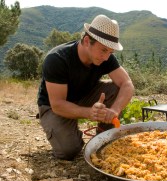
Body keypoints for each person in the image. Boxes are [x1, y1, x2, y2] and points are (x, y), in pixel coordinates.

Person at [37, 15, 134, 160]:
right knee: (69, 151)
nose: (107, 57)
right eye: (103, 50)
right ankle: (68, 132)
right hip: (54, 106)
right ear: (87, 41)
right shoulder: (57, 59)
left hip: (84, 95)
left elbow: (127, 84)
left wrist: (114, 110)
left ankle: (103, 137)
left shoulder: (104, 56)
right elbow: (57, 105)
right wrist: (90, 113)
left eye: (110, 52)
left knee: (117, 88)